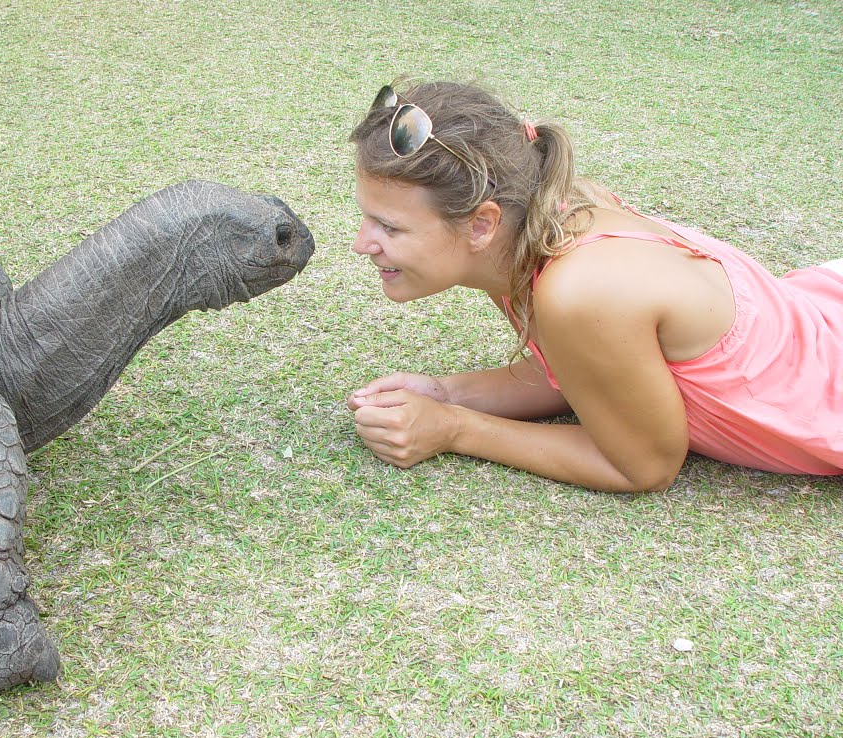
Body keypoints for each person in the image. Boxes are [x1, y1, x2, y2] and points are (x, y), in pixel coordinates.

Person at [345, 79, 843, 492]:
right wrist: (446, 393)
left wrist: (453, 429)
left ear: (481, 225)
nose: (362, 244)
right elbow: (594, 375)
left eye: (390, 227)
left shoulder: (581, 290)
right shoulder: (533, 221)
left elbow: (643, 466)